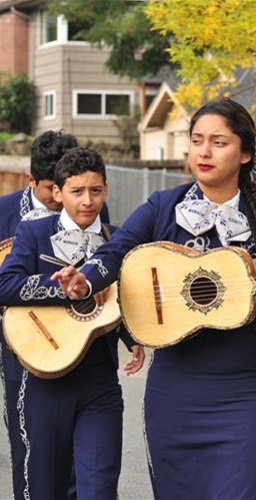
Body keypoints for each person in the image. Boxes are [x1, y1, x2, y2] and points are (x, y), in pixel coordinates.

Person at [52, 99, 256, 499]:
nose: (204, 152)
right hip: (176, 390)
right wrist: (84, 280)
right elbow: (115, 252)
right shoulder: (163, 208)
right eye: (197, 141)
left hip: (248, 389)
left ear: (244, 153)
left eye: (218, 142)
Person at [0, 147, 144, 499]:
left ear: (106, 190)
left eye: (95, 191)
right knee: (44, 487)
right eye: (77, 191)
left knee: (98, 488)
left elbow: (124, 297)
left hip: (100, 381)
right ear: (57, 193)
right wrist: (65, 290)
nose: (87, 201)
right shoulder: (33, 233)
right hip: (45, 378)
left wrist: (132, 336)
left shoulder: (119, 239)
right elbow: (4, 285)